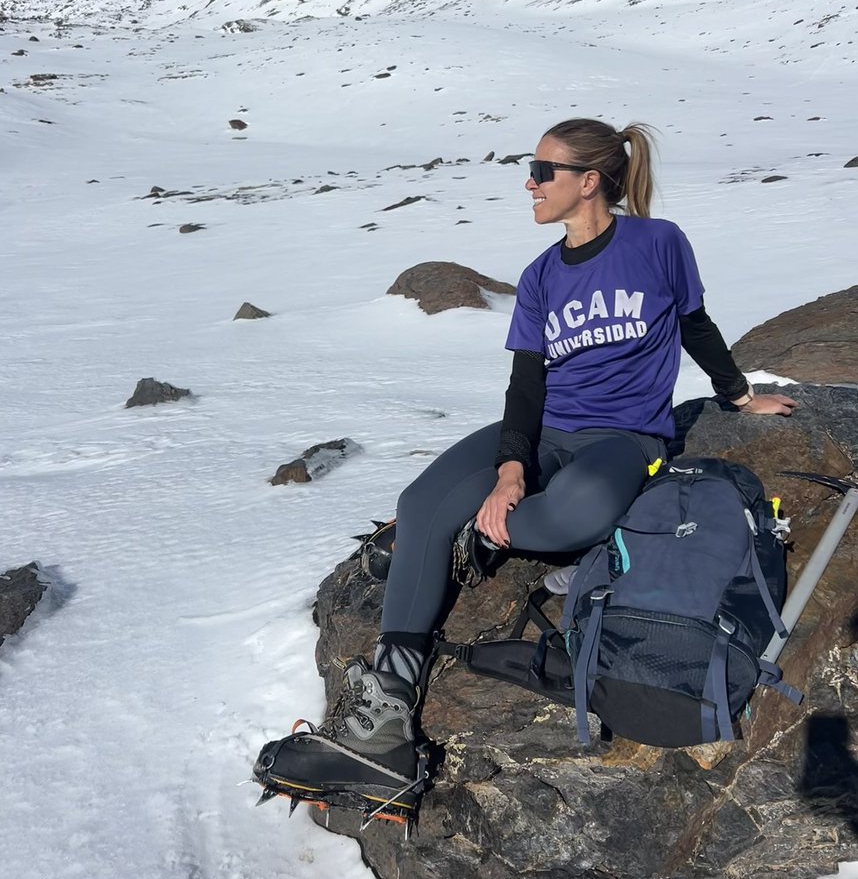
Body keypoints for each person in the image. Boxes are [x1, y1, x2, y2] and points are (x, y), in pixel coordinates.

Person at [253, 117, 797, 818]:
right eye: (531, 170)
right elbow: (526, 386)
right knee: (423, 501)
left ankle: (466, 541)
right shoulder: (541, 275)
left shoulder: (656, 244)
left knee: (572, 516)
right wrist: (511, 469)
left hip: (626, 439)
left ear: (588, 181)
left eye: (542, 171)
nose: (529, 183)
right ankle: (385, 724)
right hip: (543, 431)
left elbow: (694, 324)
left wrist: (739, 394)